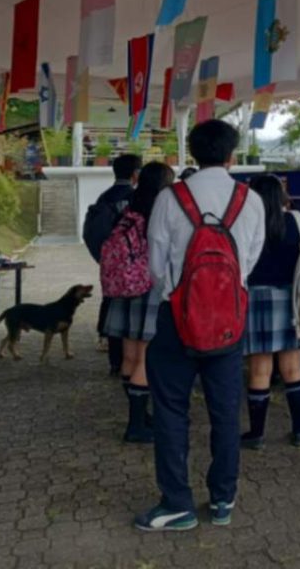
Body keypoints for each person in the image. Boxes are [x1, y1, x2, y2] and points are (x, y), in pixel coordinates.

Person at [136, 120, 265, 532]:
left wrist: (181, 293)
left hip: (176, 319)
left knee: (171, 410)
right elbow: (249, 261)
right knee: (225, 412)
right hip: (228, 321)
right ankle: (223, 497)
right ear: (231, 155)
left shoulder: (170, 198)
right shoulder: (250, 199)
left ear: (192, 153)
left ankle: (177, 503)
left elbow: (156, 267)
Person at [101, 161, 174, 444]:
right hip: (148, 288)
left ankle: (139, 414)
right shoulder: (161, 211)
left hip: (124, 289)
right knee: (144, 358)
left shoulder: (128, 209)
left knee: (129, 357)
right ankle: (136, 425)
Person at [241, 174, 300, 448]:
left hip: (256, 297)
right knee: (293, 368)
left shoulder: (247, 221)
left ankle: (257, 434)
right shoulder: (296, 220)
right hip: (290, 297)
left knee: (259, 370)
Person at [93, 154, 142, 374]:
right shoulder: (136, 198)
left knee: (112, 306)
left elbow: (92, 233)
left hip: (110, 264)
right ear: (136, 174)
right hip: (134, 266)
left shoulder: (104, 198)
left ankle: (115, 362)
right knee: (133, 313)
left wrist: (104, 258)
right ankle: (132, 362)